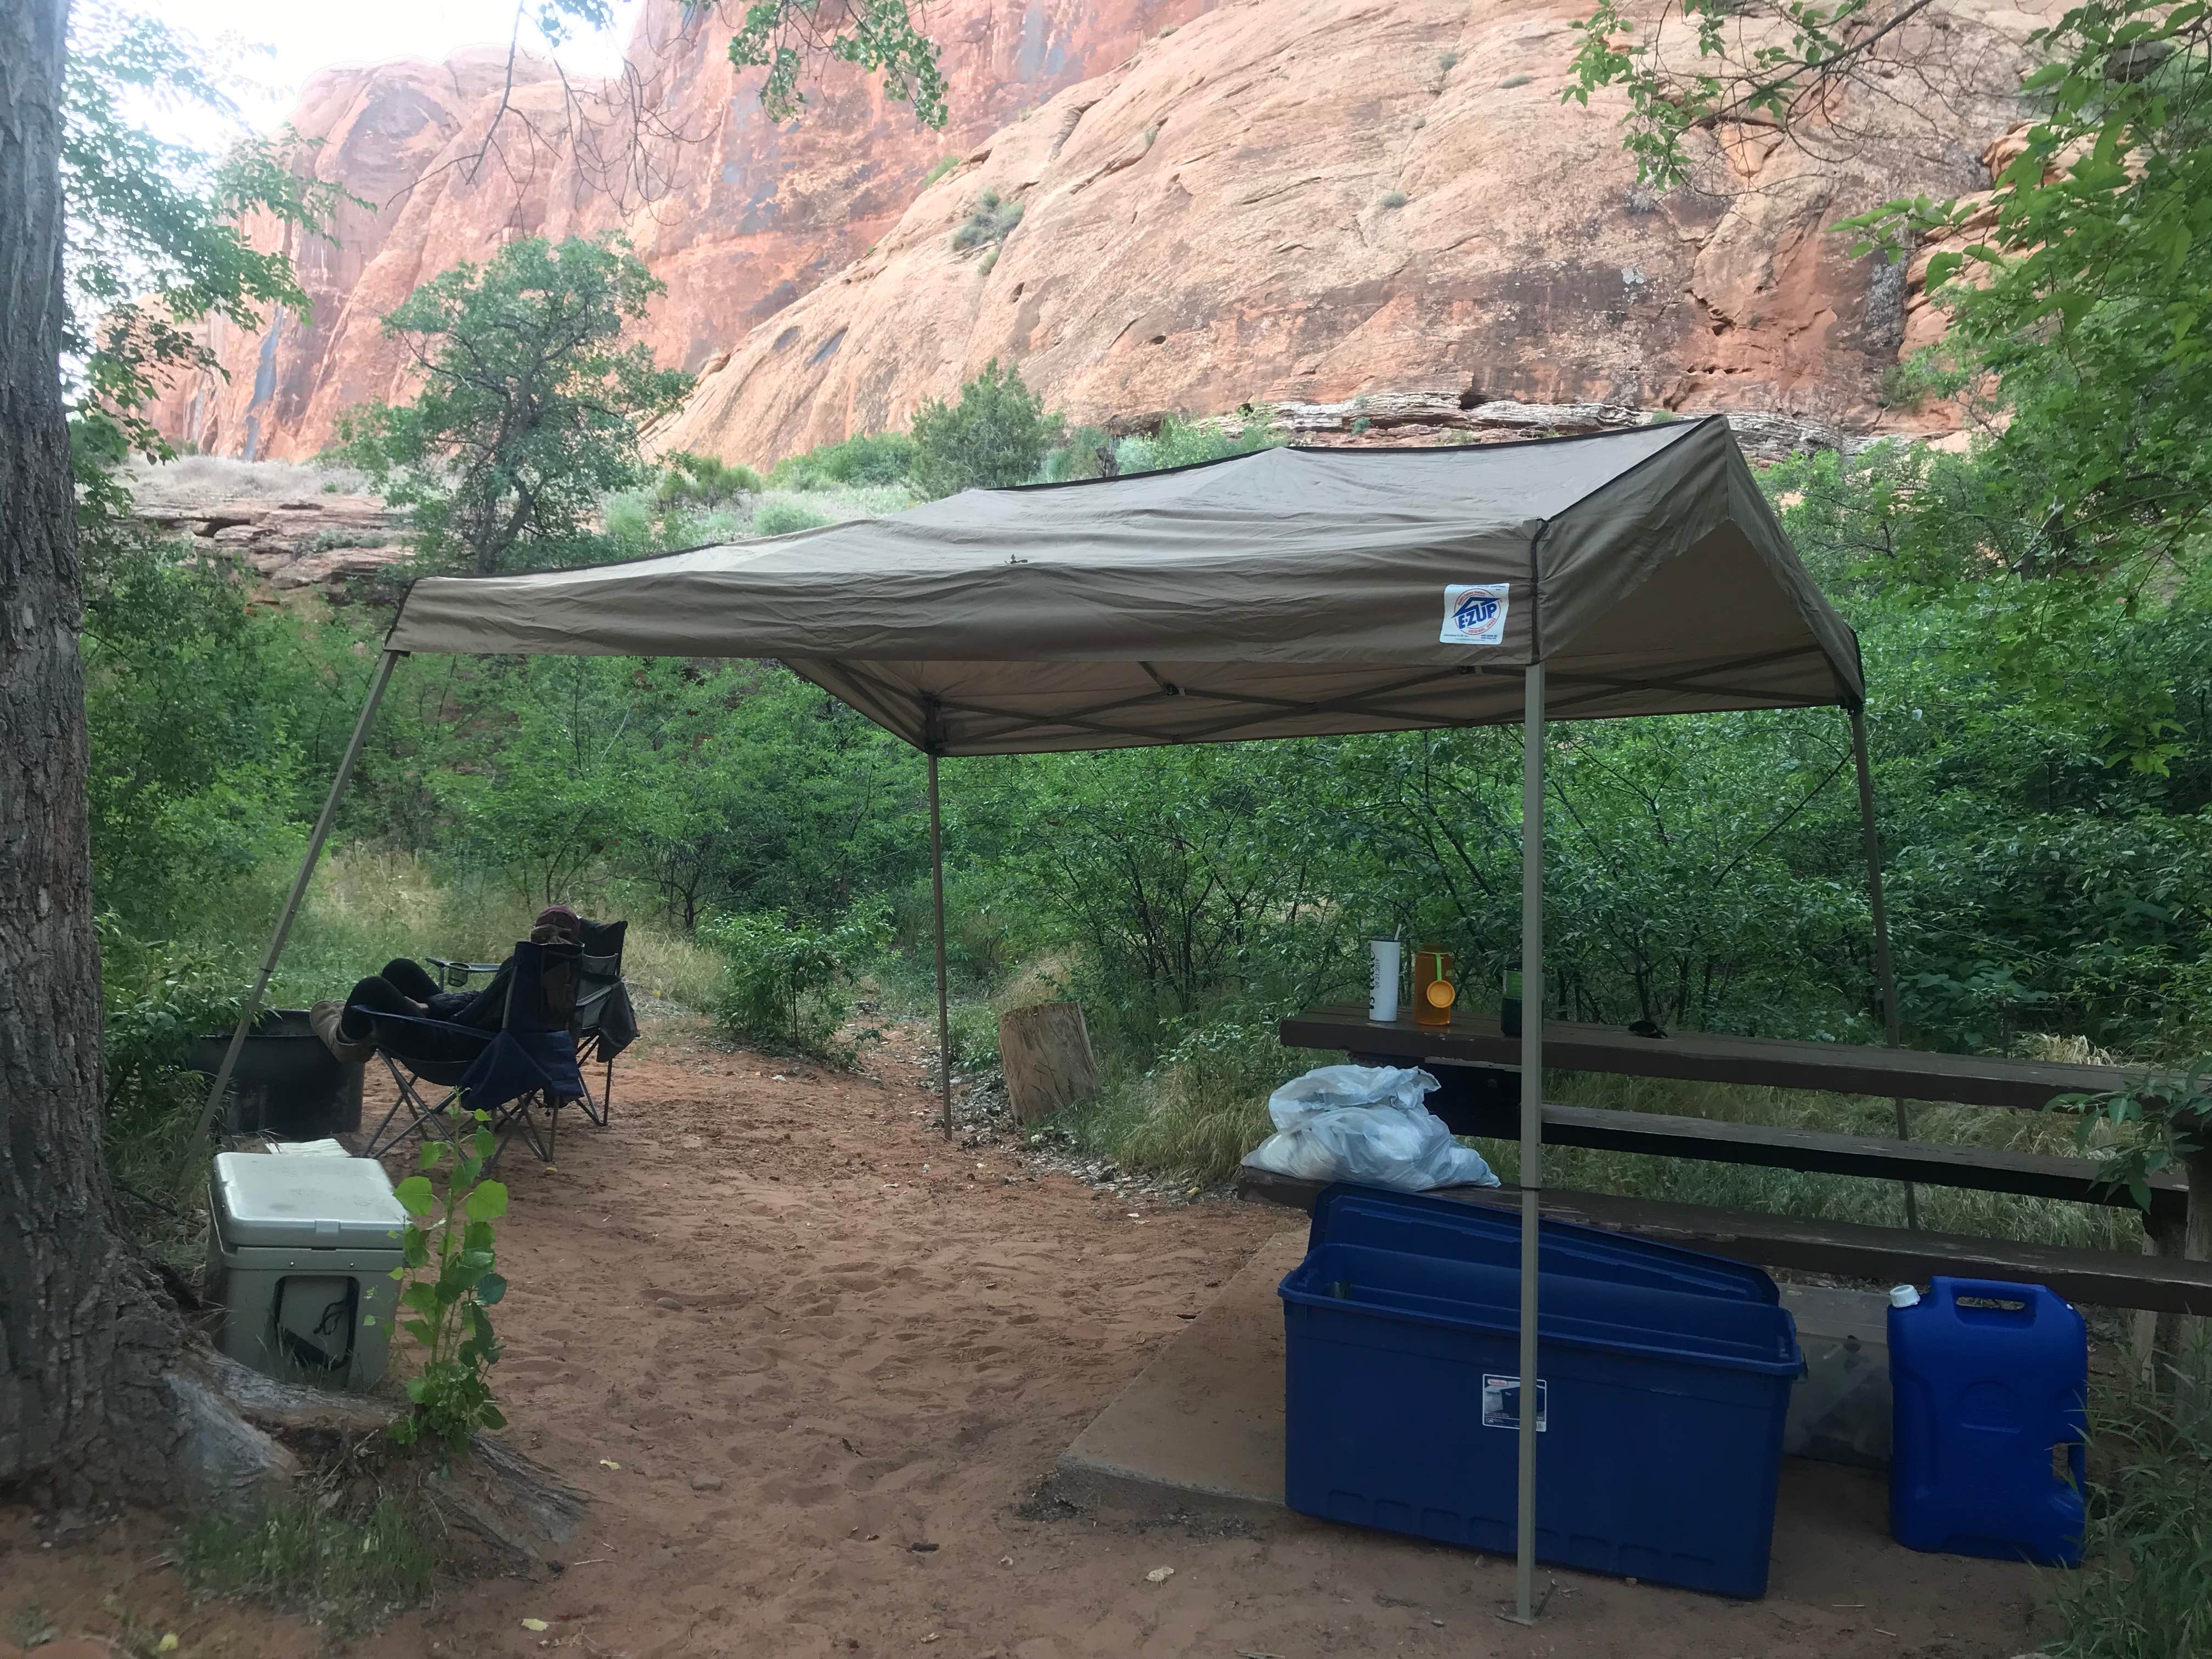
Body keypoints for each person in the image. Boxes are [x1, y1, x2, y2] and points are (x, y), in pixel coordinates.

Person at [338, 906, 582, 1060]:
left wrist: (431, 1012)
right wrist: (431, 1007)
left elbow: (476, 1014)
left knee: (372, 987)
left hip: (455, 1049)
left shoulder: (526, 967)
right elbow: (487, 1004)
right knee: (400, 969)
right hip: (482, 1040)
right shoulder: (567, 976)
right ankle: (363, 1032)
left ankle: (346, 1044)